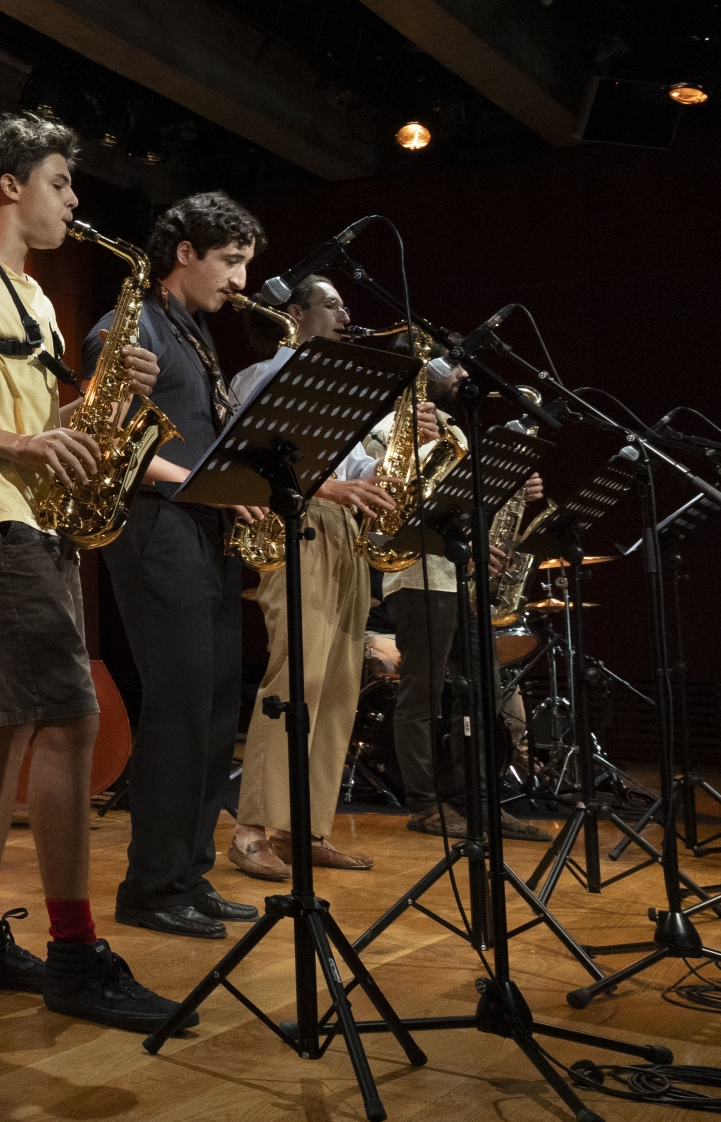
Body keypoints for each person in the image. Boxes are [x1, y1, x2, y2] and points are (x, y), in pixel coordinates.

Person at [0, 111, 193, 1033]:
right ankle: (75, 952)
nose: (75, 198)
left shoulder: (38, 300)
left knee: (4, 727)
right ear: (10, 185)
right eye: (61, 180)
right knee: (69, 719)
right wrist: (19, 444)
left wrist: (104, 400)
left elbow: (44, 419)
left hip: (36, 519)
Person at [83, 192, 267, 941]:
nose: (242, 280)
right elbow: (111, 442)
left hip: (203, 527)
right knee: (179, 708)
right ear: (185, 252)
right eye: (231, 260)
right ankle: (151, 887)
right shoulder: (129, 328)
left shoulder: (194, 330)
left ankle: (189, 872)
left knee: (217, 708)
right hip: (156, 527)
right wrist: (201, 482)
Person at [218, 277, 395, 879]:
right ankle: (250, 830)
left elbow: (360, 468)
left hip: (347, 530)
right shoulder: (262, 376)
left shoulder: (342, 385)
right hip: (299, 524)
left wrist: (396, 459)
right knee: (298, 677)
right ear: (294, 312)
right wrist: (331, 487)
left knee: (340, 686)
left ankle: (305, 829)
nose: (345, 314)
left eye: (345, 304)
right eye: (332, 304)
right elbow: (249, 458)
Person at [343, 360, 553, 843]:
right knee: (423, 695)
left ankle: (483, 803)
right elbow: (397, 504)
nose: (462, 373)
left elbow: (465, 502)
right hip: (418, 577)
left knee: (483, 695)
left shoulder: (457, 430)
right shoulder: (389, 429)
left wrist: (511, 493)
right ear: (423, 372)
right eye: (450, 365)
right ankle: (425, 805)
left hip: (464, 578)